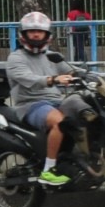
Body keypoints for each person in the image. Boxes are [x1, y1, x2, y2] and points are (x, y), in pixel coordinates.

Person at [5, 11, 91, 187]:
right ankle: (48, 170)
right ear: (24, 34)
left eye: (40, 31)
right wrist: (53, 79)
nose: (36, 34)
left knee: (87, 112)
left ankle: (89, 161)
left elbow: (73, 71)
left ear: (47, 34)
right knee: (59, 122)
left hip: (56, 102)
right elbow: (28, 79)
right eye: (31, 31)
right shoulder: (16, 58)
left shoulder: (51, 56)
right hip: (31, 105)